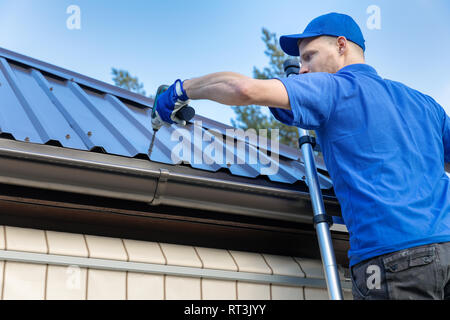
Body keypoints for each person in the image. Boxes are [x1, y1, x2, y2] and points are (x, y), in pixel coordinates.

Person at [152, 12, 450, 300]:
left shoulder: (333, 88)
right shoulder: (424, 104)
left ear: (341, 45)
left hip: (392, 257)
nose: (303, 69)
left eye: (309, 56)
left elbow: (243, 89)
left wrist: (182, 89)